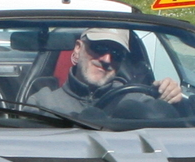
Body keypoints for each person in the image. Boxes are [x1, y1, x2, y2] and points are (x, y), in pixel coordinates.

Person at [31, 27, 184, 123]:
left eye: (117, 53)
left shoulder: (138, 100)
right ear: (78, 48)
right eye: (99, 47)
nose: (106, 59)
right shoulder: (42, 103)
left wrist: (171, 98)